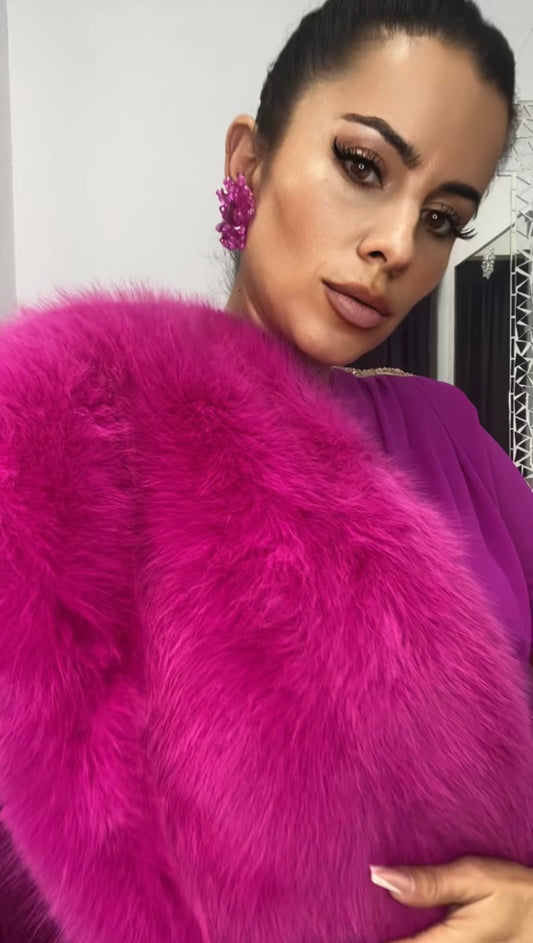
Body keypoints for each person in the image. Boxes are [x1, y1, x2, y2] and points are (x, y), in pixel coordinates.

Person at [0, 0, 533, 941]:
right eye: (362, 166)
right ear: (248, 160)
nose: (397, 245)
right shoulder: (77, 421)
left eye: (442, 218)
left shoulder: (452, 440)